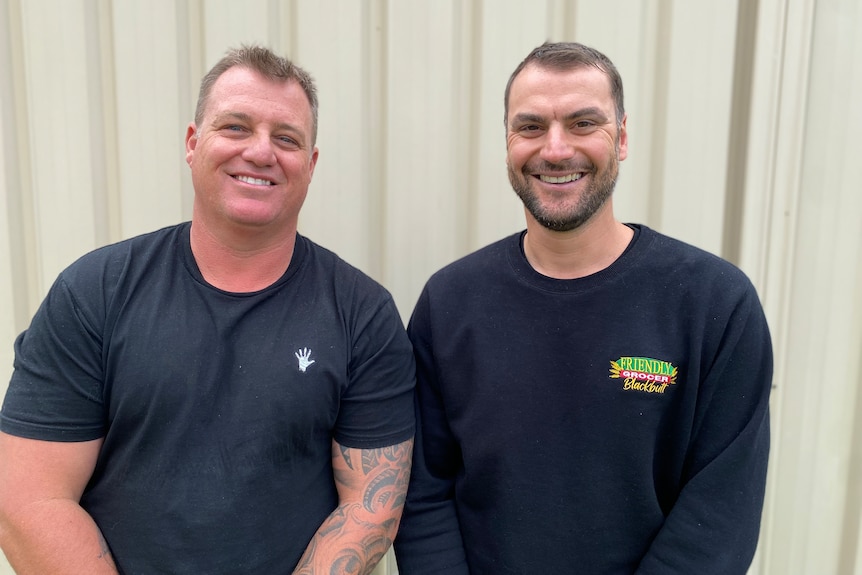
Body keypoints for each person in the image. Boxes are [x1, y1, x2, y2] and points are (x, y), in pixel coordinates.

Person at [0, 45, 415, 574]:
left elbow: (370, 506)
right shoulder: (95, 292)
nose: (261, 152)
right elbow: (30, 501)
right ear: (193, 144)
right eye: (236, 127)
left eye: (286, 138)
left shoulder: (362, 313)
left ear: (310, 165)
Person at [393, 41, 772, 574]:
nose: (554, 149)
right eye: (530, 127)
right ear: (507, 142)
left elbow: (720, 513)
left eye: (581, 123)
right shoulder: (450, 303)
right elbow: (423, 496)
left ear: (620, 138)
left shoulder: (714, 304)